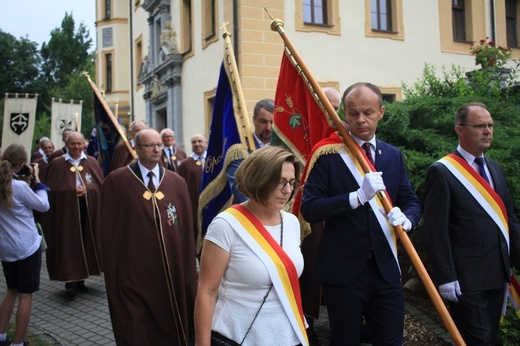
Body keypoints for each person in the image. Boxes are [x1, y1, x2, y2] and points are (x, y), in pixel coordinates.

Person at [300, 82, 421, 345]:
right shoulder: (328, 154)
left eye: (368, 112)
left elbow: (411, 200)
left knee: (391, 341)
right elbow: (309, 208)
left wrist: (408, 219)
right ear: (344, 113)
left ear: (381, 112)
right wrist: (355, 198)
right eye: (353, 113)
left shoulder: (392, 155)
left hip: (386, 269)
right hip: (343, 271)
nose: (361, 119)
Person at [423, 102, 520, 345]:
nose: (487, 131)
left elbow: (510, 220)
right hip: (466, 280)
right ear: (460, 129)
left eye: (490, 125)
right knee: (479, 340)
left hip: (498, 274)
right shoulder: (443, 171)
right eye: (480, 126)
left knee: (491, 338)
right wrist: (445, 276)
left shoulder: (495, 169)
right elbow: (436, 230)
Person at [195, 146, 309, 346]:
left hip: (288, 336)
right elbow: (207, 292)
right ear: (260, 179)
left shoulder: (291, 222)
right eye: (281, 182)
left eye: (292, 183)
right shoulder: (225, 225)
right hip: (237, 335)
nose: (288, 190)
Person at [101, 129, 197, 345]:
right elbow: (110, 232)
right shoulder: (117, 182)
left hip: (171, 272)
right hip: (135, 272)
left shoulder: (176, 182)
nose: (156, 150)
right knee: (138, 325)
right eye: (150, 145)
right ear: (136, 149)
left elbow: (186, 232)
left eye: (159, 145)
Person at [41, 131, 104, 298]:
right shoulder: (57, 164)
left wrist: (88, 192)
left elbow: (99, 187)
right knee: (69, 244)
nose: (76, 147)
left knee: (85, 241)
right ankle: (71, 282)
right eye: (73, 144)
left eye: (79, 143)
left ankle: (81, 279)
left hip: (87, 211)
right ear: (66, 144)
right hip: (66, 213)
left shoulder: (91, 162)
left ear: (84, 144)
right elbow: (51, 191)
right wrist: (70, 192)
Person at [0, 144, 50, 346]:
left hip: (6, 248)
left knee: (11, 290)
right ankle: (18, 343)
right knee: (25, 295)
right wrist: (37, 180)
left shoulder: (7, 183)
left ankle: (1, 335)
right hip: (26, 247)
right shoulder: (18, 187)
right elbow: (43, 205)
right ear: (21, 164)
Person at [226, 98, 274, 204]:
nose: (268, 127)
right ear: (254, 119)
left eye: (272, 122)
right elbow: (240, 189)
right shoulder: (240, 151)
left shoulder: (283, 148)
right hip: (248, 214)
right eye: (263, 122)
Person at [178, 133, 207, 244]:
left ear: (206, 143)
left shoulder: (214, 161)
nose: (197, 144)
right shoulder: (186, 163)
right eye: (194, 142)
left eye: (200, 141)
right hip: (193, 205)